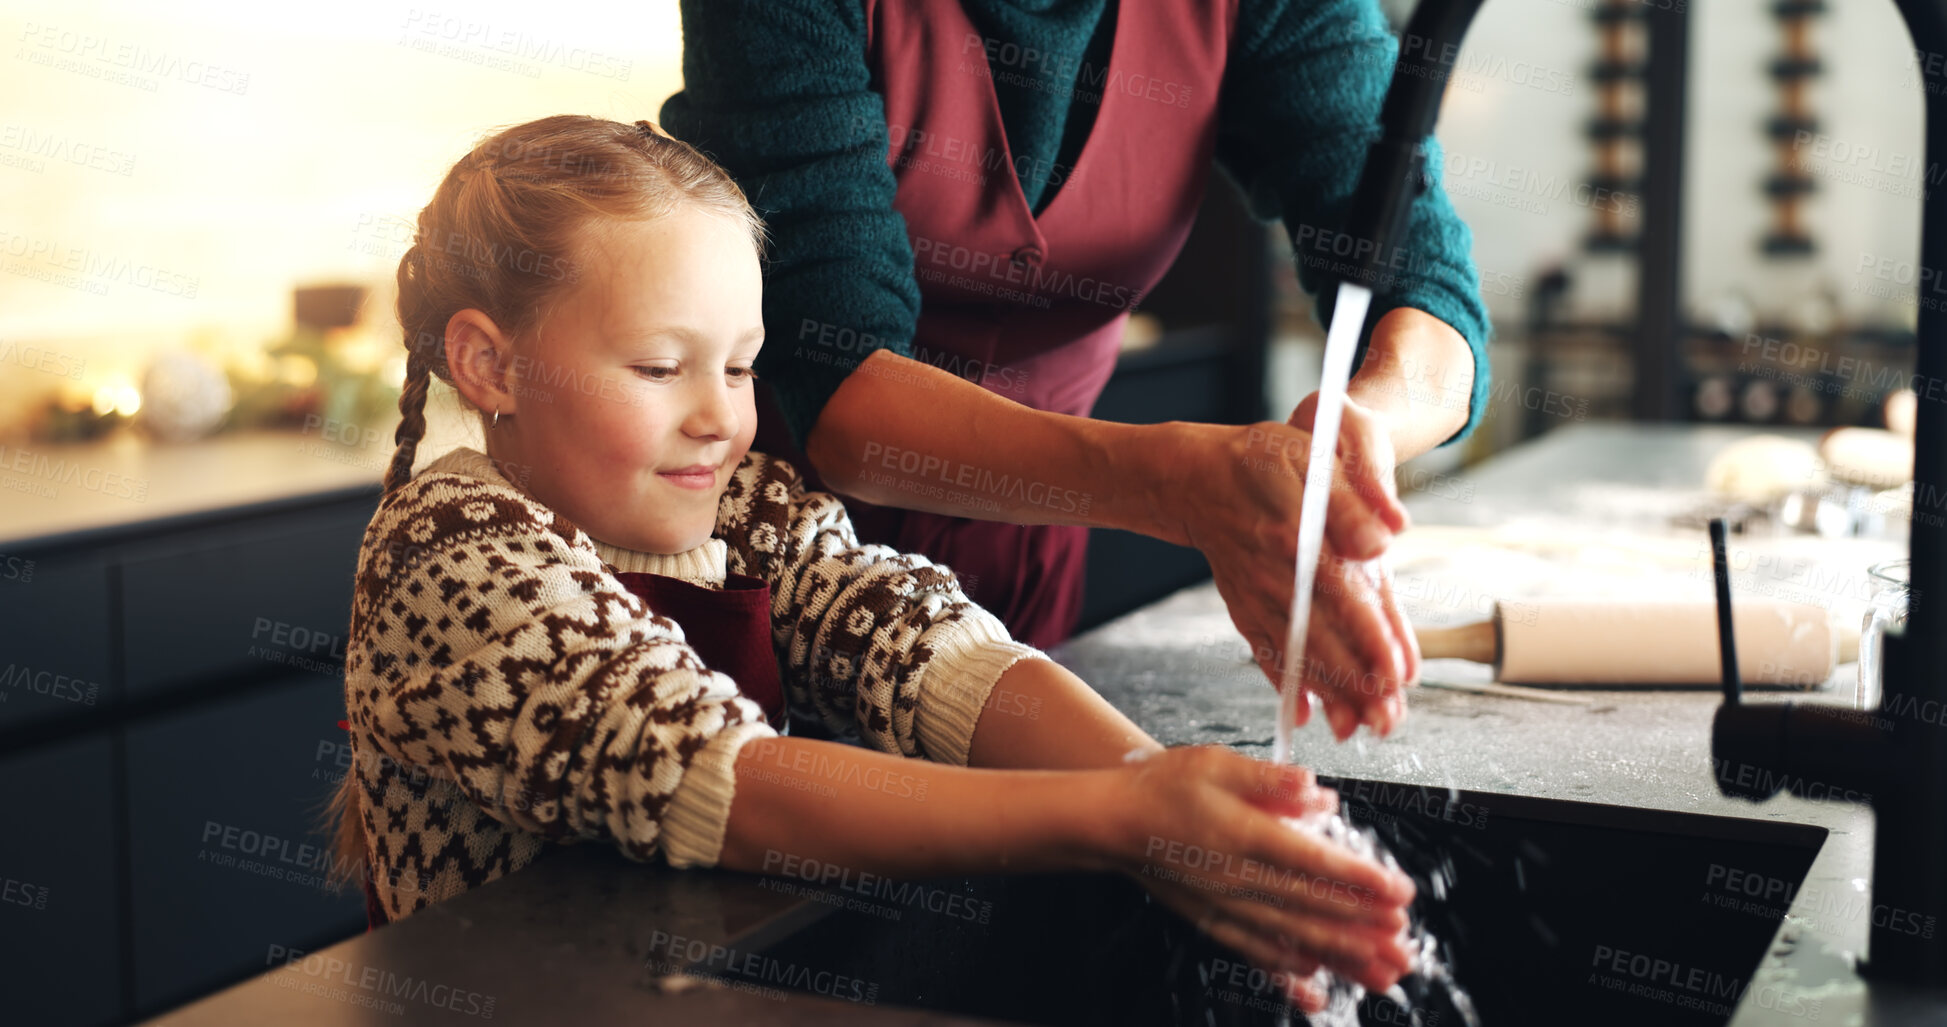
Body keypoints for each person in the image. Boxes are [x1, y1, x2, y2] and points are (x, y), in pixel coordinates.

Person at [322, 115, 1416, 1011]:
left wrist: (1161, 799)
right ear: (490, 364)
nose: (719, 417)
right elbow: (718, 780)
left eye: (741, 368)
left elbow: (921, 645)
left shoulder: (740, 508)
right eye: (659, 366)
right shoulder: (448, 556)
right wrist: (1121, 818)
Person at [661, 0, 1494, 739]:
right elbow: (842, 391)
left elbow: (1425, 288)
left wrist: (1356, 439)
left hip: (1026, 593)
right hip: (758, 582)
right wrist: (1179, 484)